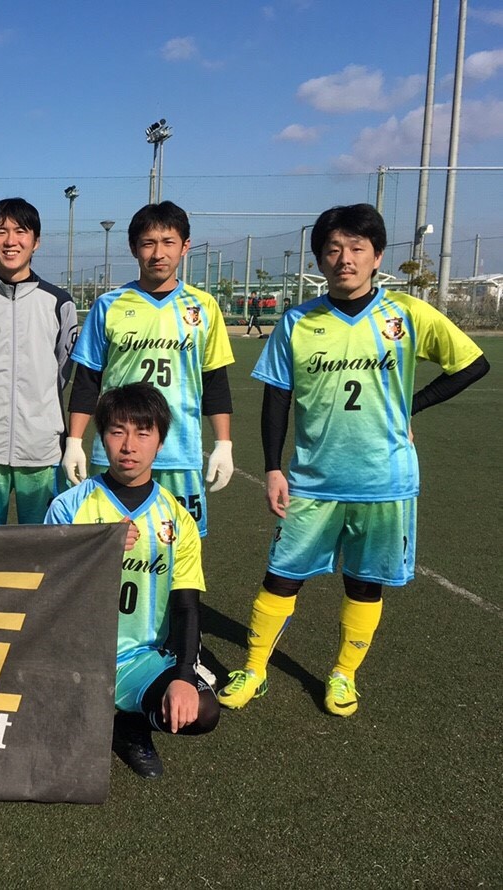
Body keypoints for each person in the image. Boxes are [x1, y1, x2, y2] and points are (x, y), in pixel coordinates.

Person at [219, 203, 490, 717]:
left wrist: (412, 405)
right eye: (333, 249)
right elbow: (277, 398)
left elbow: (472, 364)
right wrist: (273, 468)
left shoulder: (407, 314)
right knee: (281, 575)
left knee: (364, 582)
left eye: (357, 249)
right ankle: (254, 669)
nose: (345, 259)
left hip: (384, 480)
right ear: (320, 259)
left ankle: (343, 675)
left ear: (377, 256)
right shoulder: (297, 321)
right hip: (312, 481)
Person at [45, 382, 218, 779]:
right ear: (101, 437)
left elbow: (186, 605)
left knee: (203, 710)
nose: (128, 446)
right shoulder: (70, 506)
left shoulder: (177, 518)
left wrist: (184, 676)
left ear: (160, 443)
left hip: (139, 657)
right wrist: (99, 547)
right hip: (74, 654)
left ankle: (129, 725)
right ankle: (89, 712)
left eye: (142, 433)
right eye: (117, 432)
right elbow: (48, 591)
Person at [64, 201, 235, 538]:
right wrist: (74, 441)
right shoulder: (109, 305)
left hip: (180, 453)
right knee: (108, 547)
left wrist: (223, 444)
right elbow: (87, 380)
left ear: (185, 247)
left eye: (168, 242)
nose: (158, 253)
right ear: (134, 248)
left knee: (180, 547)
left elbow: (215, 381)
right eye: (148, 243)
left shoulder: (203, 306)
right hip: (117, 452)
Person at [0, 198, 78, 526]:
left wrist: (39, 413)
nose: (11, 241)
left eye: (21, 231)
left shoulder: (58, 303)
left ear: (36, 241)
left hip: (42, 450)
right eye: (0, 232)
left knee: (43, 544)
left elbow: (61, 372)